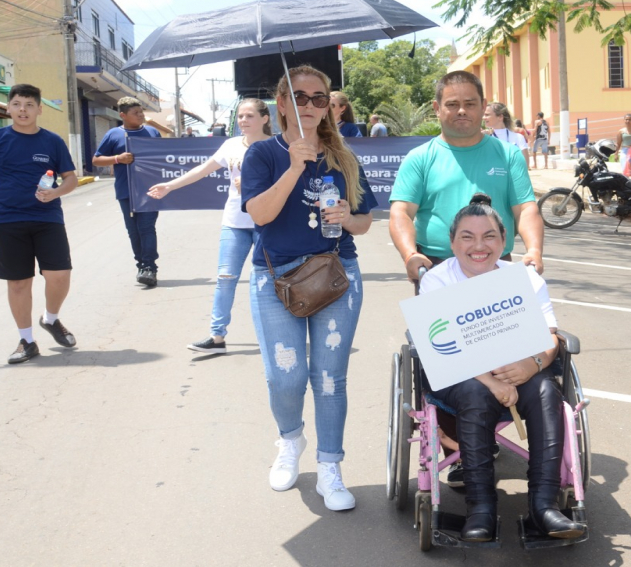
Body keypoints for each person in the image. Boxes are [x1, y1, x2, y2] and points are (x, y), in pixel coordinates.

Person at [241, 65, 377, 511]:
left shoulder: (343, 158)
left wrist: (346, 218)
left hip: (337, 276)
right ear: (281, 103)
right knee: (286, 377)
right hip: (276, 279)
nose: (312, 106)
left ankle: (330, 467)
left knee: (329, 379)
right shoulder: (264, 154)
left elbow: (364, 222)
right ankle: (290, 440)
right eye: (300, 97)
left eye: (320, 98)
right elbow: (259, 215)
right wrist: (294, 166)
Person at [418, 194, 586, 542]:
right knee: (476, 393)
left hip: (519, 367)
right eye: (467, 236)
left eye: (489, 236)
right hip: (460, 373)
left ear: (504, 240)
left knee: (544, 390)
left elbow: (549, 337)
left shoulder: (524, 279)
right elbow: (438, 347)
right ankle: (480, 509)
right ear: (452, 242)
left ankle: (544, 505)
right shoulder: (437, 280)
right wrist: (492, 382)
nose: (478, 246)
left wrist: (532, 364)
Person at [0, 83, 79, 364]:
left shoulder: (52, 141)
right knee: (18, 283)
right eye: (16, 104)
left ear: (39, 109)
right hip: (7, 219)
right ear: (8, 108)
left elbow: (70, 178)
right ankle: (26, 340)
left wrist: (56, 192)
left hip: (47, 218)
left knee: (59, 275)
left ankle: (50, 319)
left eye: (28, 105)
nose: (22, 110)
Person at [389, 70, 544, 283]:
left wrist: (534, 250)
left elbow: (526, 209)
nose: (461, 111)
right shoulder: (419, 158)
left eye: (470, 104)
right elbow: (401, 212)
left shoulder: (509, 155)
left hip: (496, 267)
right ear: (437, 108)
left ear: (483, 106)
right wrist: (410, 255)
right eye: (452, 104)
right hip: (435, 270)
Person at [147, 99, 272, 353]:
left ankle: (274, 335)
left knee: (267, 281)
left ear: (265, 119)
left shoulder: (275, 147)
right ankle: (217, 337)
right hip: (234, 223)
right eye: (240, 116)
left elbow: (286, 182)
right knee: (225, 278)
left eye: (249, 116)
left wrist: (252, 185)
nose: (243, 121)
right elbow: (203, 170)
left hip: (266, 223)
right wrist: (170, 185)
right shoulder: (231, 145)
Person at [92, 97, 163, 287]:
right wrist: (117, 159)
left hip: (149, 190)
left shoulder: (152, 132)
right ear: (122, 115)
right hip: (126, 190)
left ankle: (150, 267)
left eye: (141, 112)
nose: (141, 116)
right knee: (133, 231)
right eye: (136, 113)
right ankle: (141, 265)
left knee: (147, 228)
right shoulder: (113, 135)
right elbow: (96, 160)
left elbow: (165, 158)